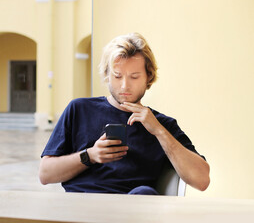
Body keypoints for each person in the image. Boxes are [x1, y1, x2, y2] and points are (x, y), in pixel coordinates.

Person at [39, 33, 210, 195]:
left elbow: (201, 180)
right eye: (117, 76)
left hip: (132, 210)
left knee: (144, 193)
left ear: (148, 77)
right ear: (107, 75)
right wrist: (90, 155)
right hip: (82, 209)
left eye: (134, 77)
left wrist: (158, 131)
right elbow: (45, 174)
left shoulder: (162, 125)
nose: (124, 86)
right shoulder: (79, 109)